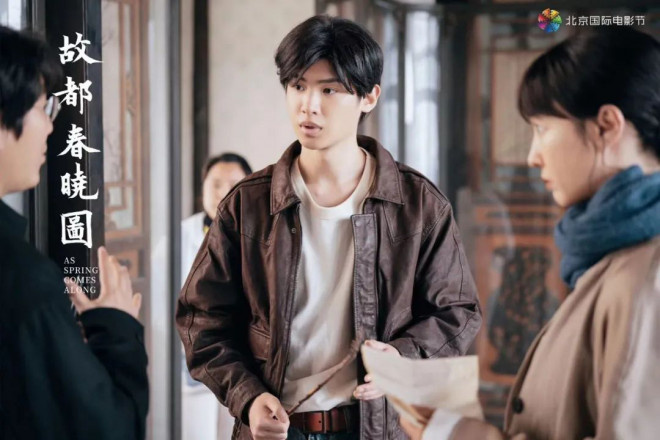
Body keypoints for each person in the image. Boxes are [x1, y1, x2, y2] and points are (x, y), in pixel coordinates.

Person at [176, 15, 481, 440]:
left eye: (329, 90)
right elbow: (202, 319)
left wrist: (402, 358)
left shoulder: (418, 204)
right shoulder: (247, 204)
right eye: (298, 86)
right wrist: (247, 397)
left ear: (369, 97)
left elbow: (458, 311)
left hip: (376, 428)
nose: (308, 106)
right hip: (279, 427)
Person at [400, 27, 660, 440]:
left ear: (606, 126)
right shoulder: (616, 257)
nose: (532, 156)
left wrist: (462, 436)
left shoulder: (647, 276)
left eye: (542, 128)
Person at [0, 26, 148, 440]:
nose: (51, 127)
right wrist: (116, 326)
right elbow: (112, 429)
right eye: (43, 108)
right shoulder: (24, 281)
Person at [180, 153, 252, 440]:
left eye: (233, 184)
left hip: (245, 364)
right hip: (199, 359)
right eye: (216, 184)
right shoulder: (179, 236)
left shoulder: (260, 235)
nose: (223, 192)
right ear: (202, 188)